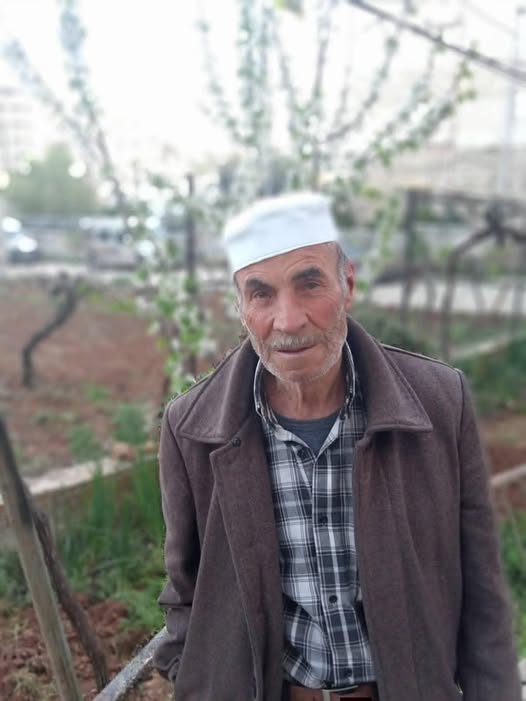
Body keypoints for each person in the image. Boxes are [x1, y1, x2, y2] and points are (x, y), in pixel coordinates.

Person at [153, 192, 521, 701]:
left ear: (348, 283)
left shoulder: (439, 403)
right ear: (240, 307)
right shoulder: (191, 428)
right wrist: (202, 681)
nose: (288, 321)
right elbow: (186, 591)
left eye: (309, 284)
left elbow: (482, 594)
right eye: (261, 294)